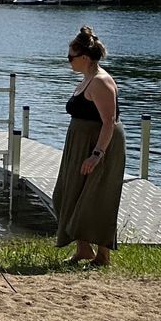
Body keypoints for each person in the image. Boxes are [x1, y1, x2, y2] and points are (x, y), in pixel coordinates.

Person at [56, 24, 124, 265]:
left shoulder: (101, 82)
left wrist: (96, 155)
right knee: (67, 193)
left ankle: (103, 255)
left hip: (99, 146)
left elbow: (109, 122)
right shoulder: (87, 79)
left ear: (84, 57)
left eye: (70, 57)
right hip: (80, 144)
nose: (68, 62)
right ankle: (84, 249)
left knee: (98, 197)